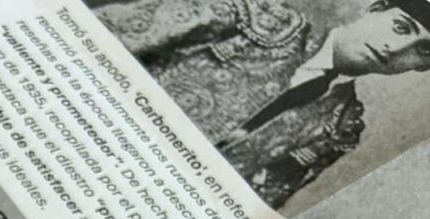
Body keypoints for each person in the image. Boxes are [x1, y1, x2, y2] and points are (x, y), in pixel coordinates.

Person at [98, 0, 430, 206]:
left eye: (422, 50)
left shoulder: (341, 128)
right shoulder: (255, 18)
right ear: (375, 10)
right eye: (400, 27)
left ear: (421, 67)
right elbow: (109, 33)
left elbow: (253, 202)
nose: (395, 48)